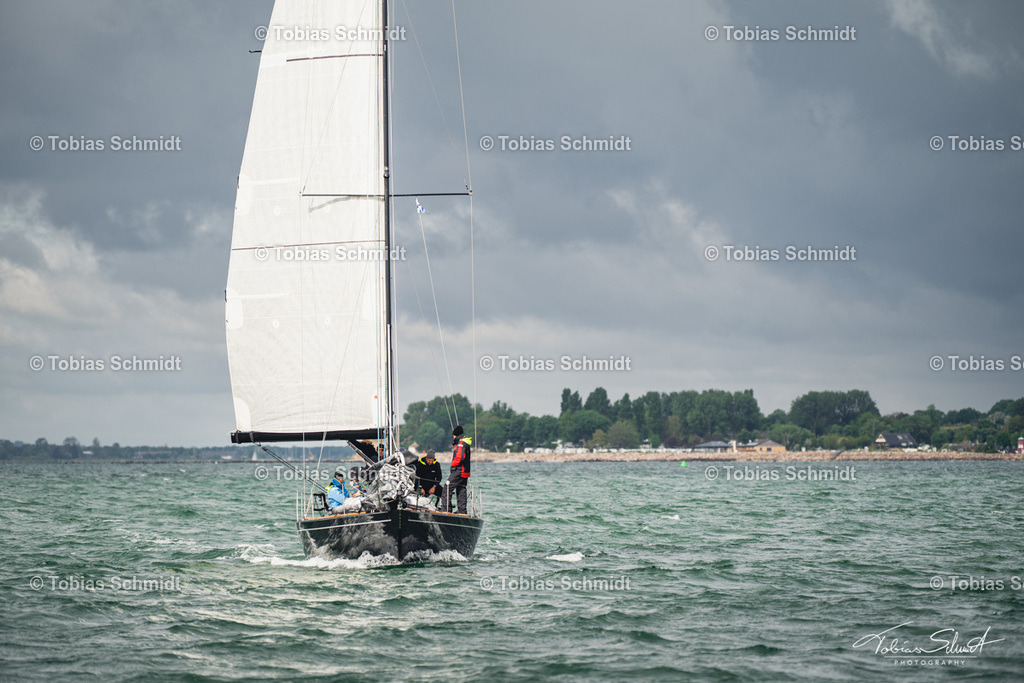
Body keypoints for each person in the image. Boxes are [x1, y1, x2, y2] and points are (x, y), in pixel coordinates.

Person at [443, 426, 471, 514]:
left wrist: (452, 464)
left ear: (455, 435)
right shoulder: (465, 442)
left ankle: (446, 509)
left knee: (447, 488)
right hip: (465, 472)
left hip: (459, 470)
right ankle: (462, 512)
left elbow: (459, 458)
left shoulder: (461, 443)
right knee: (461, 489)